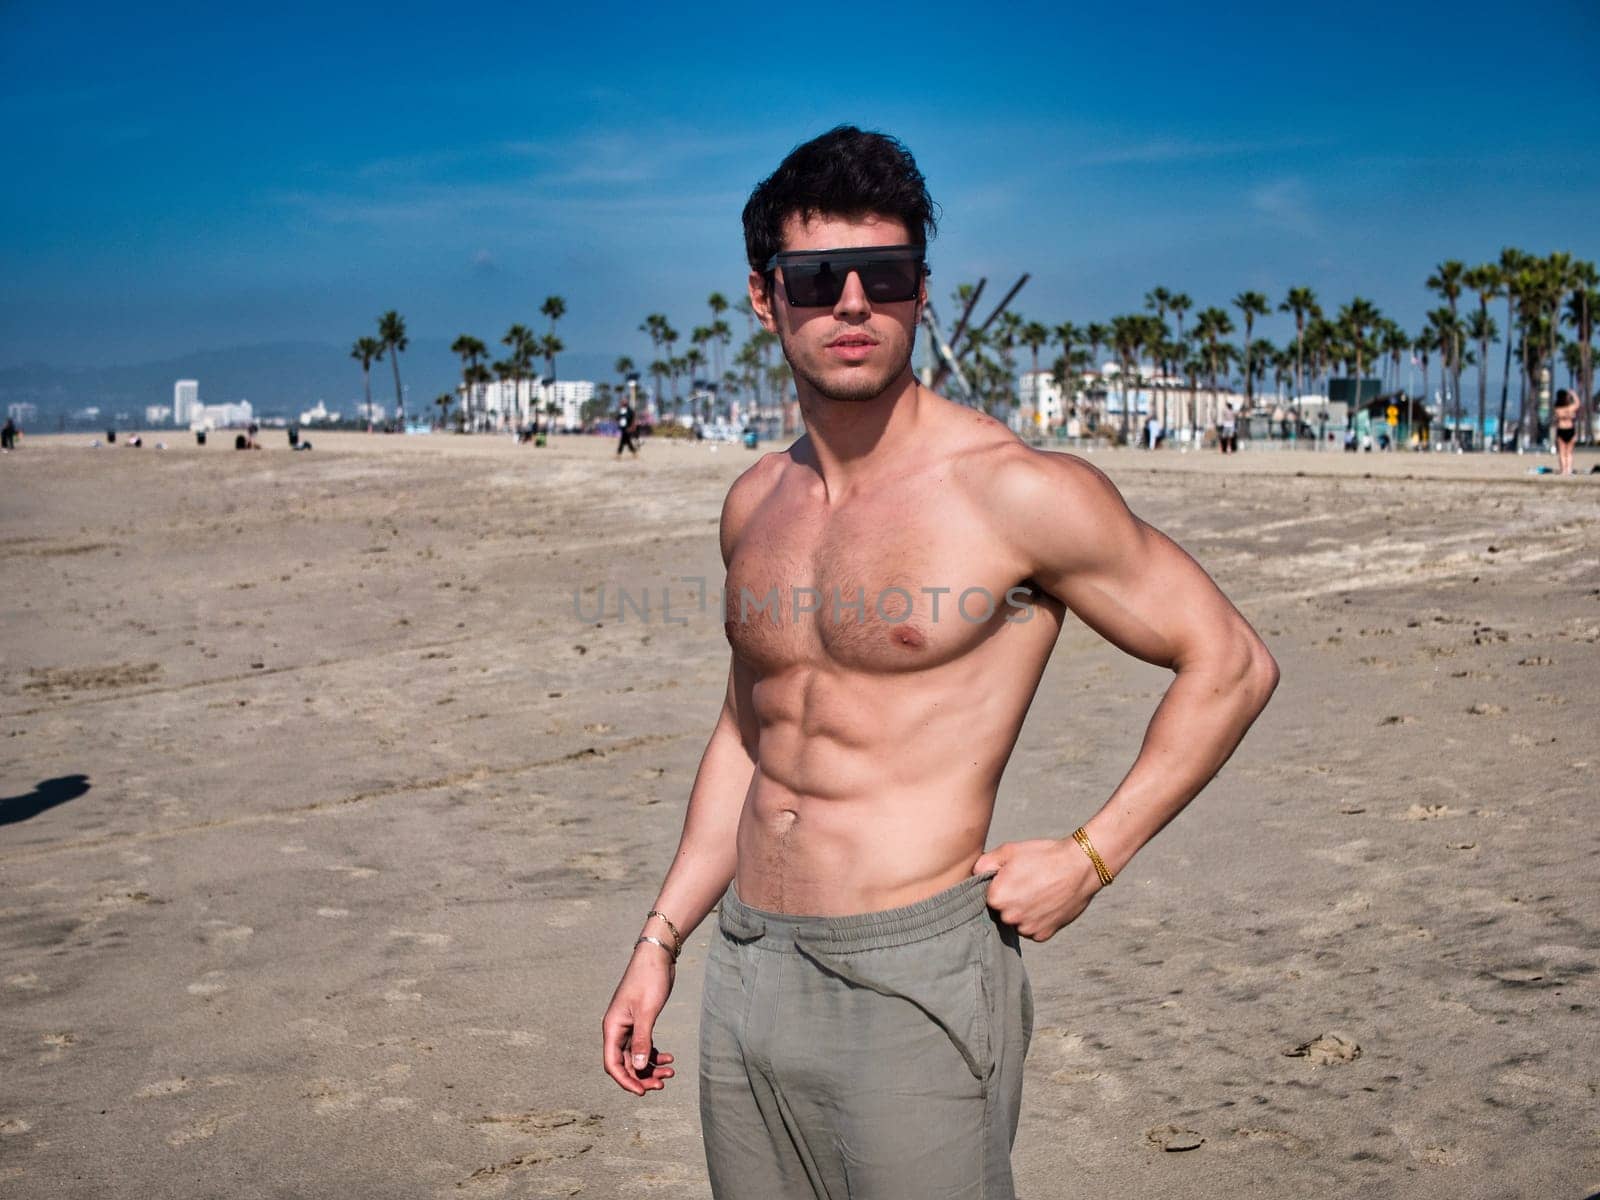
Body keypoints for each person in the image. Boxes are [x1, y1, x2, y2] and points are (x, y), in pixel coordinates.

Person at [599, 125, 1279, 1200]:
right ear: (764, 297)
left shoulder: (1011, 491)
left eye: (891, 274)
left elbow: (1229, 661)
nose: (855, 302)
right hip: (746, 964)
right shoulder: (753, 506)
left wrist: (1092, 857)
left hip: (911, 969)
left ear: (922, 291)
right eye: (819, 278)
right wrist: (662, 937)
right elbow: (749, 729)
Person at [1552, 388, 1581, 475]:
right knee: (1569, 452)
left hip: (1561, 429)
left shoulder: (1557, 409)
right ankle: (1569, 469)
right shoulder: (1570, 408)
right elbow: (1578, 404)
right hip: (1570, 429)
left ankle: (1563, 470)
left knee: (1562, 452)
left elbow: (1555, 418)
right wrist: (1573, 394)